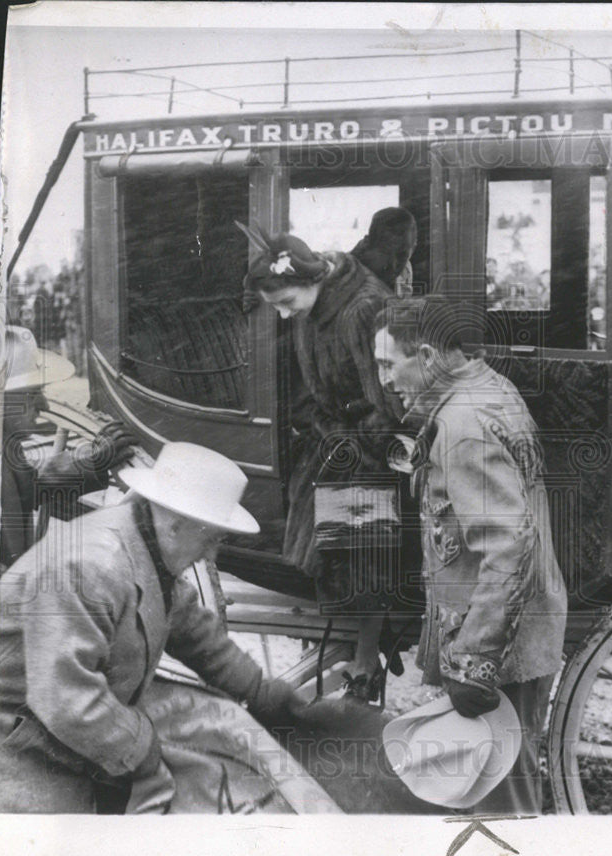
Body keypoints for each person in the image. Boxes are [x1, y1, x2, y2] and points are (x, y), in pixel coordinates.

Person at [0, 441, 311, 814]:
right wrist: (141, 750)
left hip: (92, 703)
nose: (211, 554)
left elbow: (193, 631)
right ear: (176, 525)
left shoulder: (146, 541)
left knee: (221, 737)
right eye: (211, 539)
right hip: (18, 732)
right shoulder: (91, 566)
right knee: (63, 848)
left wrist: (258, 689)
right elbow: (65, 701)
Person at [373, 297, 567, 814]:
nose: (386, 381)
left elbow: (507, 544)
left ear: (431, 356)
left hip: (498, 642)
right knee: (500, 783)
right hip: (515, 627)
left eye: (389, 364)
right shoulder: (488, 391)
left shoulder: (464, 424)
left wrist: (476, 662)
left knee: (499, 800)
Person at [240, 222, 406, 702]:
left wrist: (349, 442)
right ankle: (358, 640)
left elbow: (389, 401)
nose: (286, 315)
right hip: (337, 435)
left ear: (313, 280)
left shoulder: (363, 309)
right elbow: (309, 390)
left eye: (287, 303)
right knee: (321, 531)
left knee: (362, 542)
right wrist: (328, 432)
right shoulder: (312, 307)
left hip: (375, 442)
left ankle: (367, 653)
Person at [0, 325, 137, 570]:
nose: (43, 405)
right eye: (32, 394)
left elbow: (28, 485)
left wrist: (93, 460)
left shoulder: (1, 448)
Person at [349, 206, 417, 295]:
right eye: (387, 253)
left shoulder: (405, 271)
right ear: (368, 245)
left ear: (413, 249)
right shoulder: (345, 275)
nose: (393, 265)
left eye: (402, 255)